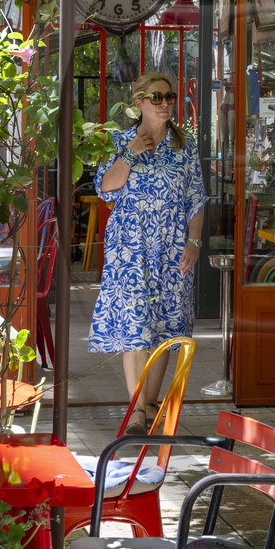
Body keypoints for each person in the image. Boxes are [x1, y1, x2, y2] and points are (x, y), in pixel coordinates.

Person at [87, 71, 206, 428]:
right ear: (139, 103)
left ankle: (150, 405)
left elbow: (196, 200)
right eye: (157, 97)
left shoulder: (185, 148)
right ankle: (137, 408)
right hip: (130, 249)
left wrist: (194, 242)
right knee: (135, 326)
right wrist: (131, 152)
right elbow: (106, 189)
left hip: (172, 248)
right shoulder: (120, 141)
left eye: (170, 97)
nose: (166, 103)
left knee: (166, 327)